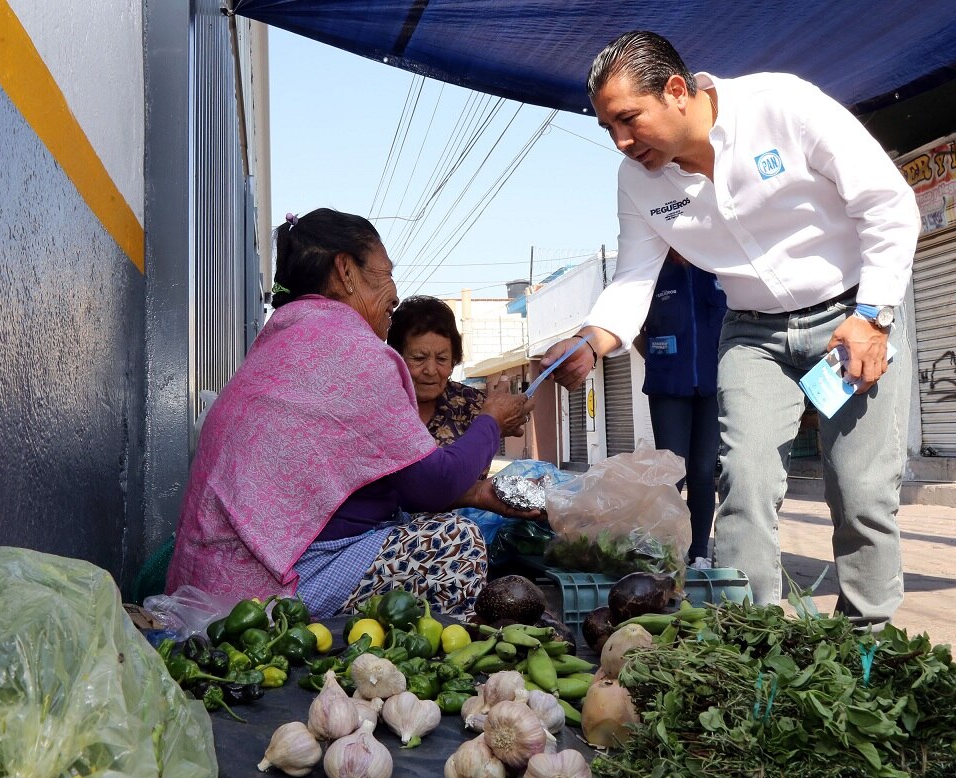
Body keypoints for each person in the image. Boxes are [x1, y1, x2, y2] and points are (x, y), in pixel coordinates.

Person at [540, 31, 920, 621]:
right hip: (752, 333)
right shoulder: (638, 181)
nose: (620, 141)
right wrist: (592, 341)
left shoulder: (781, 106)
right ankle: (750, 636)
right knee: (741, 481)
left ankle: (866, 643)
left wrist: (872, 315)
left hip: (852, 317)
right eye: (608, 129)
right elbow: (635, 277)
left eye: (629, 119)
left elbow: (887, 203)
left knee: (863, 495)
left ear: (675, 90)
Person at [166, 209, 535, 618]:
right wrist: (492, 420)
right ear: (346, 271)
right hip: (256, 595)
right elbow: (435, 485)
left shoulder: (286, 333)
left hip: (209, 579)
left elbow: (389, 485)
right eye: (385, 272)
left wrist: (479, 490)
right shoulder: (353, 350)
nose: (394, 293)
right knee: (455, 543)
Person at [639, 250, 726, 569]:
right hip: (668, 386)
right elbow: (638, 329)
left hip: (712, 384)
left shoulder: (716, 268)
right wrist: (658, 358)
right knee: (671, 470)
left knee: (703, 472)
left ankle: (700, 552)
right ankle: (667, 550)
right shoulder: (653, 272)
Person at [387, 295, 525, 446]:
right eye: (419, 358)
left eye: (442, 359)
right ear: (396, 358)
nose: (431, 370)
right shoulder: (377, 405)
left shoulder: (474, 405)